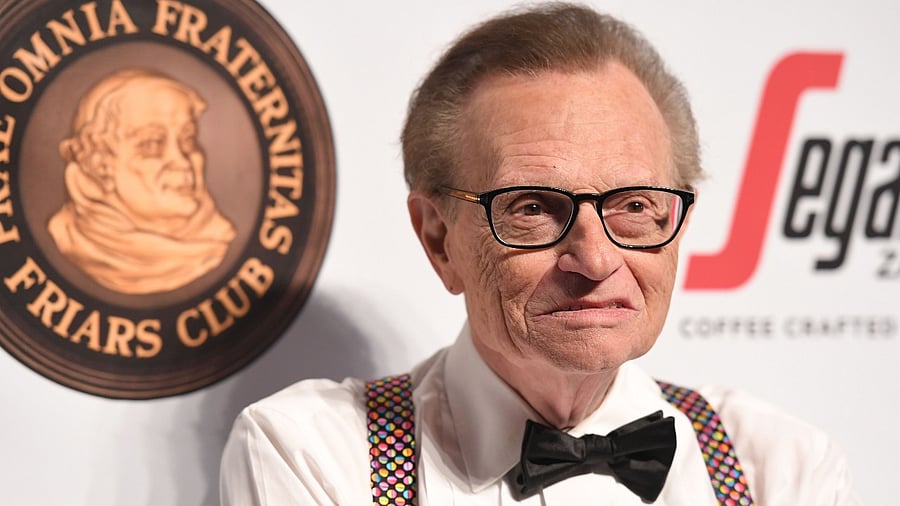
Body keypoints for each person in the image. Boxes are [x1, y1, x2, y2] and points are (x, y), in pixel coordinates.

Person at [220, 4, 859, 504]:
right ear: (439, 239)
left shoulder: (781, 467)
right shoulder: (315, 454)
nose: (597, 260)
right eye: (532, 208)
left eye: (634, 205)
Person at [49, 68, 235, 295]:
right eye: (152, 143)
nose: (182, 161)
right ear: (101, 165)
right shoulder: (70, 239)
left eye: (188, 139)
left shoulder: (219, 236)